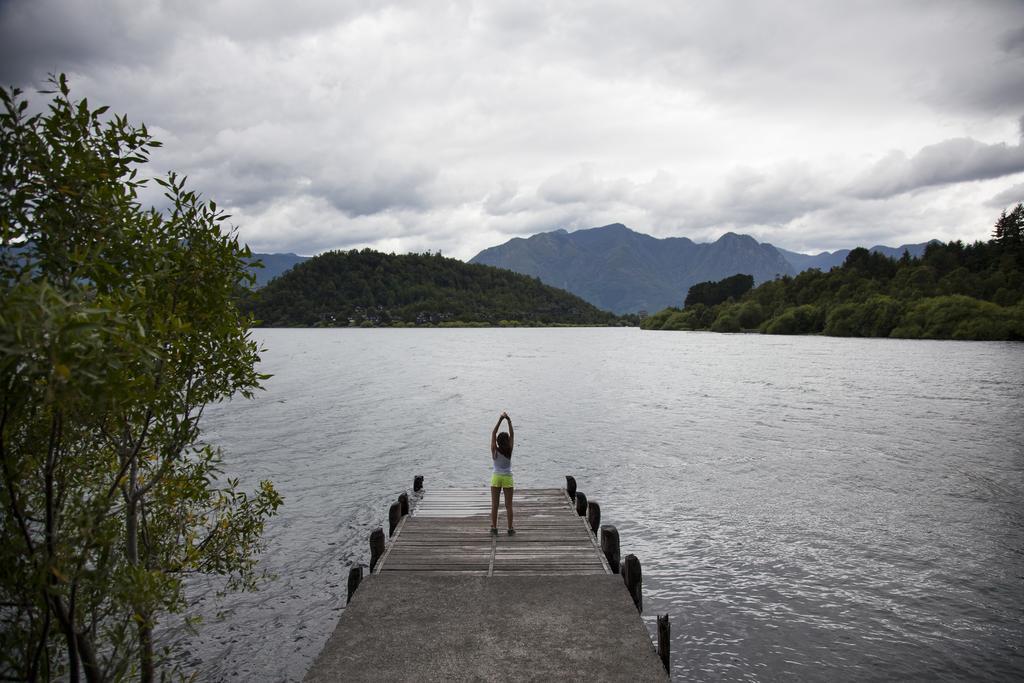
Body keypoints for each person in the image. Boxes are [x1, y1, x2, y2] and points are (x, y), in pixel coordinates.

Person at [490, 411, 515, 536]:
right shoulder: (509, 450)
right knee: (508, 506)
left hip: (496, 478)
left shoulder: (494, 450)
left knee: (495, 505)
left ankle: (494, 528)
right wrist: (508, 420)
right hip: (507, 479)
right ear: (507, 441)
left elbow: (493, 433)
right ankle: (510, 529)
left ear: (498, 441)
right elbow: (512, 434)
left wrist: (500, 419)